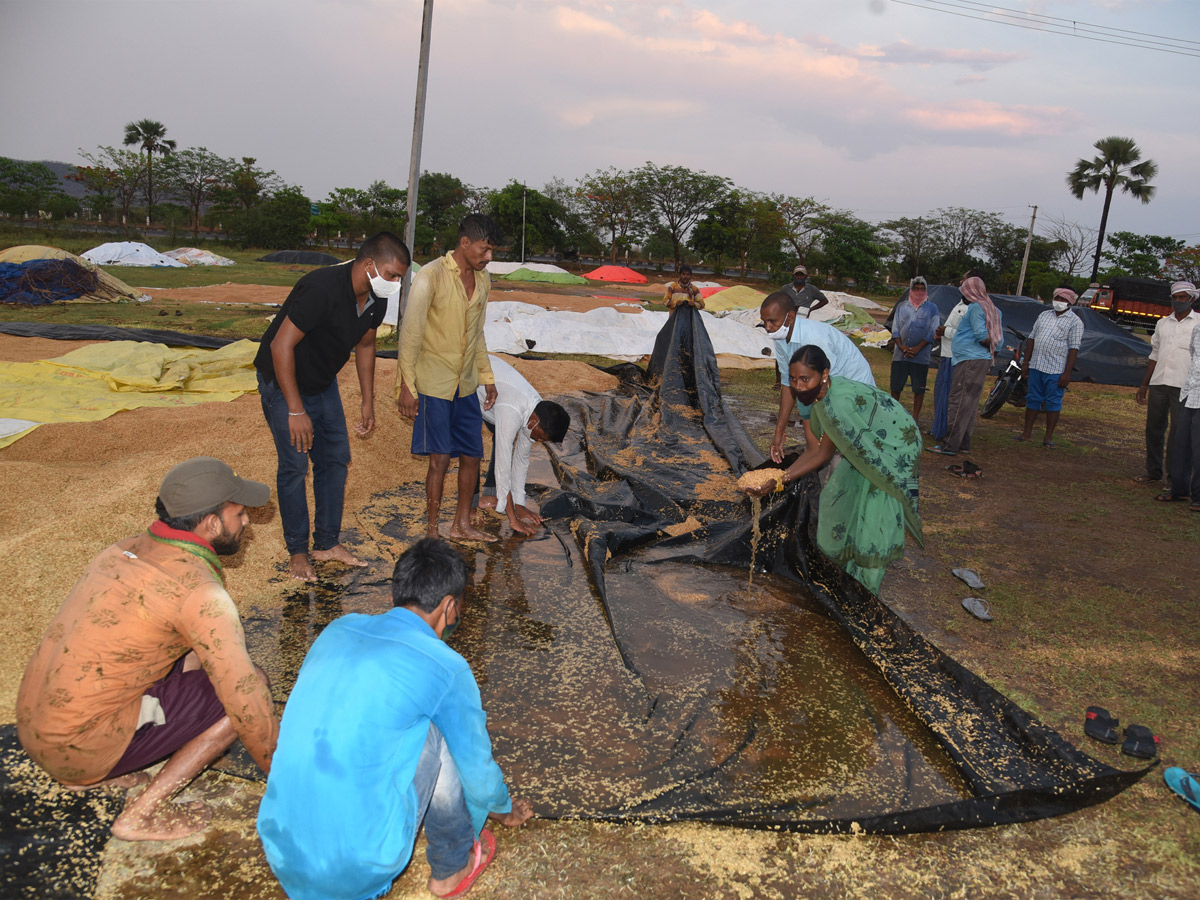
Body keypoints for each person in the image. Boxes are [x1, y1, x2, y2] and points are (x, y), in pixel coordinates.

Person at [16, 457, 278, 842]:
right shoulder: (199, 593)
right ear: (211, 524)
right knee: (247, 688)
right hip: (83, 745)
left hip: (38, 733)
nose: (247, 522)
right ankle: (140, 815)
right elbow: (245, 698)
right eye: (239, 513)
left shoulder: (121, 550)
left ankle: (85, 772)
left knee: (193, 657)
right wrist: (282, 772)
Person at [257, 538, 534, 900]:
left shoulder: (336, 630)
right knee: (440, 730)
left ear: (394, 597)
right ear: (450, 607)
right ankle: (450, 868)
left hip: (280, 848)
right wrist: (503, 810)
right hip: (357, 866)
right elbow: (477, 773)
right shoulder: (445, 666)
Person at [255, 231, 410, 582]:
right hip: (283, 382)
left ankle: (326, 543)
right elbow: (281, 347)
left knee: (335, 459)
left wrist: (368, 402)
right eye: (392, 275)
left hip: (322, 384)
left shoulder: (375, 298)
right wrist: (296, 410)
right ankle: (297, 552)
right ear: (369, 265)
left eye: (400, 277)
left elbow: (366, 345)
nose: (396, 283)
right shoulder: (321, 288)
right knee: (295, 466)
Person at [742, 345, 923, 595]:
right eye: (793, 379)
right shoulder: (815, 399)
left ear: (824, 374)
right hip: (866, 444)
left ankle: (865, 587)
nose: (799, 386)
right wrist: (780, 477)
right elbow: (813, 449)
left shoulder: (838, 405)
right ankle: (848, 566)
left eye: (806, 378)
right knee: (839, 497)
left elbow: (822, 454)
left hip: (894, 445)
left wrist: (779, 480)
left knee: (873, 507)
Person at [397, 214, 500, 544]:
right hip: (434, 383)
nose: (488, 258)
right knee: (440, 459)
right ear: (465, 243)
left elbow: (477, 334)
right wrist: (406, 385)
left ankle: (461, 525)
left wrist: (487, 376)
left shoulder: (483, 282)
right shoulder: (431, 276)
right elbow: (410, 332)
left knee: (472, 455)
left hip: (465, 384)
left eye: (492, 252)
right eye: (484, 250)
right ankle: (431, 531)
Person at [760, 290, 875, 463]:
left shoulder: (814, 339)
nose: (768, 328)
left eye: (772, 321)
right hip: (828, 391)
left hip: (854, 390)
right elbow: (786, 383)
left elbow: (831, 389)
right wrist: (779, 432)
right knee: (819, 445)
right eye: (764, 322)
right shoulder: (781, 339)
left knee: (845, 453)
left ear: (790, 317)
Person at [475, 354, 571, 536]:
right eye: (541, 437)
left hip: (496, 398)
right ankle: (471, 507)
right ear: (534, 421)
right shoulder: (512, 412)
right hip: (469, 382)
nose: (540, 442)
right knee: (472, 450)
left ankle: (492, 496)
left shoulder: (538, 411)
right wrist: (513, 519)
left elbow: (521, 460)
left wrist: (520, 505)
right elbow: (504, 467)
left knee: (505, 442)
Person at [928, 275, 1002, 457]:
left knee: (958, 401)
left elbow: (981, 335)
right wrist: (993, 348)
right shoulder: (993, 308)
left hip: (969, 360)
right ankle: (963, 443)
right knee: (969, 403)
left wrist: (989, 343)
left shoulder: (977, 308)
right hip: (979, 359)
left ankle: (949, 444)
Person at [1136, 281, 1199, 486]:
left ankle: (1176, 478)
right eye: (1176, 297)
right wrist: (1144, 385)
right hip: (1159, 382)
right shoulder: (1163, 323)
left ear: (1192, 299)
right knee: (1154, 428)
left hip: (1185, 386)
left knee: (1179, 432)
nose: (1179, 301)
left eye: (1183, 297)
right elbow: (1154, 354)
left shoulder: (1198, 323)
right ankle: (1153, 471)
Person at [1015, 287, 1085, 448]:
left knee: (1053, 402)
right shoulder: (1044, 315)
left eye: (1063, 299)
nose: (1059, 302)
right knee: (1032, 398)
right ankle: (1026, 434)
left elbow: (1074, 349)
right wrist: (1026, 363)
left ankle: (1048, 437)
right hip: (1036, 365)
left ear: (1070, 302)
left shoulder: (1075, 322)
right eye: (1057, 298)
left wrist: (1067, 373)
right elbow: (1032, 339)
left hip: (1056, 369)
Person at [1159, 284, 1200, 511]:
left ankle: (1198, 496)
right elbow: (1195, 358)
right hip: (1190, 393)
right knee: (1181, 445)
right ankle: (1179, 490)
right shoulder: (1198, 330)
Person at [890, 276, 941, 420]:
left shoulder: (932, 308)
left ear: (926, 290)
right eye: (916, 288)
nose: (919, 291)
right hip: (900, 355)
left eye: (922, 289)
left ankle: (915, 418)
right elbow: (895, 329)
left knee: (919, 388)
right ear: (911, 289)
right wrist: (901, 346)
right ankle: (893, 415)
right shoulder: (901, 307)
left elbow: (933, 331)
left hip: (921, 357)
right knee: (896, 387)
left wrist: (917, 349)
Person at [931, 291, 969, 441]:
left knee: (950, 396)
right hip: (946, 354)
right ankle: (938, 428)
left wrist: (945, 331)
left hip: (955, 357)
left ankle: (947, 431)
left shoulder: (973, 309)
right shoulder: (961, 304)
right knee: (941, 393)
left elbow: (966, 334)